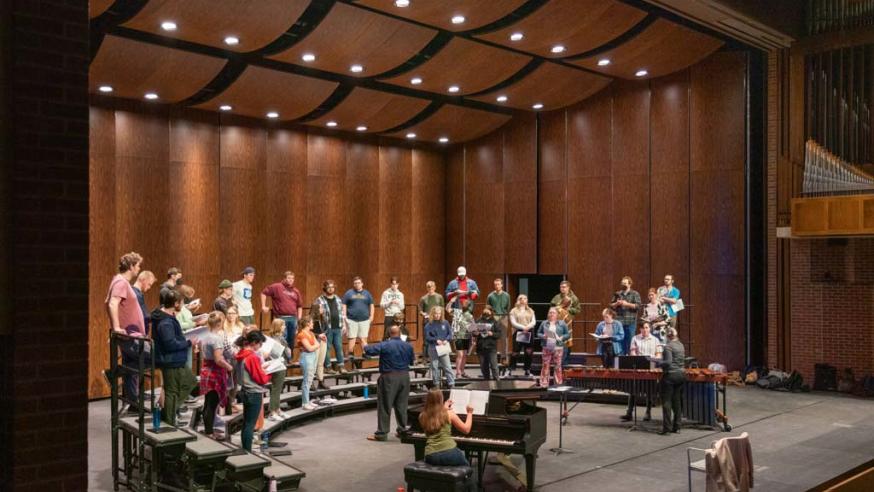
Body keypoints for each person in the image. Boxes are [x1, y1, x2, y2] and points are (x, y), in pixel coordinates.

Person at [105, 252, 146, 411]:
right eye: (138, 266)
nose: (139, 269)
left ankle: (133, 403)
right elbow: (112, 304)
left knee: (132, 366)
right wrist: (116, 327)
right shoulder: (121, 282)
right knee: (162, 358)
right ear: (131, 266)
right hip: (131, 336)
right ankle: (115, 374)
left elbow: (107, 302)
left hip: (130, 335)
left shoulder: (118, 281)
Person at [363, 325, 415, 441]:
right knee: (402, 405)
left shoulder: (385, 344)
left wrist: (364, 344)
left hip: (389, 378)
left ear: (389, 333)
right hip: (404, 377)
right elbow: (411, 362)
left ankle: (382, 434)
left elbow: (370, 351)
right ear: (399, 333)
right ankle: (402, 430)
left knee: (385, 405)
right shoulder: (408, 346)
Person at [152, 288, 195, 426]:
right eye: (182, 302)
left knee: (190, 382)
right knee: (171, 392)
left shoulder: (168, 317)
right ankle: (168, 420)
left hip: (175, 360)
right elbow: (170, 344)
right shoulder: (166, 322)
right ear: (176, 303)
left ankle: (168, 412)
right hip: (170, 361)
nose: (183, 305)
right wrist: (188, 342)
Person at [199, 311, 234, 439]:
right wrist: (229, 367)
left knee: (208, 402)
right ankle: (209, 433)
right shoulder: (216, 338)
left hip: (206, 370)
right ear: (220, 323)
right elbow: (218, 359)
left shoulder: (205, 336)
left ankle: (208, 430)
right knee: (212, 404)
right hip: (214, 372)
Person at [234, 330, 270, 451]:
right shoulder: (251, 357)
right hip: (253, 392)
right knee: (250, 424)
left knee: (246, 423)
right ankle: (247, 451)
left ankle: (245, 449)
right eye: (260, 344)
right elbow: (261, 379)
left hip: (245, 390)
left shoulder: (241, 353)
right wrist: (269, 373)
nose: (260, 347)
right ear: (254, 342)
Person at [418, 389, 474, 467]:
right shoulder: (449, 414)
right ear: (441, 399)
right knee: (466, 466)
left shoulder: (422, 415)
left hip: (430, 455)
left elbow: (436, 416)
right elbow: (466, 429)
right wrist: (469, 413)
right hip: (449, 452)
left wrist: (444, 407)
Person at [622, 322, 663, 422]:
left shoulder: (655, 340)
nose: (644, 330)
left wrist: (653, 359)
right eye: (643, 328)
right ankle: (629, 413)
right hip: (638, 369)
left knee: (649, 392)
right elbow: (632, 353)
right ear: (640, 329)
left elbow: (659, 354)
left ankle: (648, 413)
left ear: (649, 329)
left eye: (646, 327)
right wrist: (637, 358)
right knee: (632, 391)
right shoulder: (635, 338)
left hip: (650, 369)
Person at [261, 271, 303, 353]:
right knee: (282, 339)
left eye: (292, 278)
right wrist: (263, 306)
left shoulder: (295, 291)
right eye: (289, 278)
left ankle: (289, 359)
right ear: (284, 278)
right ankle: (282, 359)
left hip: (293, 318)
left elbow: (300, 306)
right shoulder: (277, 287)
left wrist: (299, 319)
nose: (291, 280)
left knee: (291, 339)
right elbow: (263, 293)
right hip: (281, 318)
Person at [312, 280, 346, 378]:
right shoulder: (320, 300)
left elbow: (342, 314)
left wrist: (344, 325)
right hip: (327, 328)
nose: (331, 289)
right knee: (327, 348)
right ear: (325, 288)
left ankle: (341, 366)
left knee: (339, 347)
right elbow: (314, 313)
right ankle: (328, 367)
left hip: (337, 327)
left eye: (332, 287)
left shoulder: (338, 299)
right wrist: (320, 312)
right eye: (328, 287)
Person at [658, 327, 686, 435]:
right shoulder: (681, 345)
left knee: (666, 402)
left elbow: (668, 362)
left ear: (668, 336)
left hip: (670, 376)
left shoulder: (668, 346)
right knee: (677, 401)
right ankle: (677, 426)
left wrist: (659, 363)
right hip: (681, 375)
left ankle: (667, 429)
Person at [263, 319, 291, 421]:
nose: (285, 327)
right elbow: (288, 354)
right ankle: (272, 411)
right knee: (276, 389)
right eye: (283, 326)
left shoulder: (271, 339)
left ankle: (277, 409)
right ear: (279, 327)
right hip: (278, 365)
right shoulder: (280, 340)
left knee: (278, 389)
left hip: (276, 365)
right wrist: (289, 351)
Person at [536, 307, 571, 387]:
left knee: (558, 366)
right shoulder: (544, 323)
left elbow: (568, 334)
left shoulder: (562, 323)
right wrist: (543, 336)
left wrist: (562, 337)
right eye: (550, 312)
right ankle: (544, 383)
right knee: (545, 365)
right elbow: (538, 333)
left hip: (558, 347)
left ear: (557, 314)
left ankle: (558, 383)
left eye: (553, 313)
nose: (551, 314)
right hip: (546, 347)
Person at [343, 276, 374, 359]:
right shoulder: (349, 293)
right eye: (355, 283)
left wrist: (371, 316)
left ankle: (365, 352)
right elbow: (344, 305)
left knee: (363, 338)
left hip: (364, 320)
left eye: (359, 283)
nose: (357, 284)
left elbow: (371, 305)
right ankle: (350, 353)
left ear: (362, 284)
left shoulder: (367, 293)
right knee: (351, 337)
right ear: (354, 284)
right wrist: (344, 316)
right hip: (351, 319)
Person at [551, 280, 580, 367]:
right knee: (557, 341)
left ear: (568, 287)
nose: (562, 289)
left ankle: (565, 362)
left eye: (564, 287)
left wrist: (568, 310)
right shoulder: (556, 297)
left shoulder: (574, 298)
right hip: (557, 322)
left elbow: (578, 310)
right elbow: (552, 307)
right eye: (561, 287)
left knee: (567, 342)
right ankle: (557, 362)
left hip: (568, 322)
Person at [222, 306, 246, 415]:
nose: (230, 315)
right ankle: (224, 403)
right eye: (229, 313)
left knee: (235, 381)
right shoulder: (223, 326)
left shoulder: (241, 326)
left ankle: (231, 402)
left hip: (238, 356)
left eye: (233, 313)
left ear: (237, 315)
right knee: (228, 381)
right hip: (227, 357)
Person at [295, 316, 321, 411]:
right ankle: (305, 403)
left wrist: (314, 345)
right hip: (306, 357)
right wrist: (315, 345)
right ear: (307, 324)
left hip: (313, 356)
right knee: (306, 381)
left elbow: (315, 345)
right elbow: (310, 348)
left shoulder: (311, 333)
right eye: (312, 322)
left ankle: (307, 401)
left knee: (310, 380)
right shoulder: (302, 334)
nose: (313, 324)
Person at [610, 276, 641, 356]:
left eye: (625, 283)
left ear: (630, 284)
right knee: (620, 341)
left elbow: (638, 306)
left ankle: (629, 361)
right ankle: (620, 360)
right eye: (622, 283)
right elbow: (611, 305)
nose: (623, 285)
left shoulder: (635, 294)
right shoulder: (617, 293)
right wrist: (617, 303)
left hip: (630, 322)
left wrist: (627, 304)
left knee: (630, 341)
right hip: (619, 322)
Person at [424, 307, 454, 389]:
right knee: (434, 366)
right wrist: (435, 340)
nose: (437, 315)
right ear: (432, 314)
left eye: (439, 313)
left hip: (443, 348)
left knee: (447, 366)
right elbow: (427, 337)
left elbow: (450, 334)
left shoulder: (445, 323)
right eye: (436, 314)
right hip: (433, 348)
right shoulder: (428, 324)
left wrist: (446, 340)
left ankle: (451, 383)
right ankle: (436, 384)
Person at [509, 294, 536, 376]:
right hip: (519, 331)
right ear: (518, 300)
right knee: (515, 352)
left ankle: (527, 369)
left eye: (525, 298)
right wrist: (523, 327)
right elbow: (513, 322)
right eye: (521, 298)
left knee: (528, 352)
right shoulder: (513, 311)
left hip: (529, 331)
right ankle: (510, 369)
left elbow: (533, 321)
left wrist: (528, 327)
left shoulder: (530, 310)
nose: (523, 300)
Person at [486, 278, 511, 365]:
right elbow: (488, 307)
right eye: (495, 284)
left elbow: (508, 307)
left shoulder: (506, 295)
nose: (497, 286)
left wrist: (504, 315)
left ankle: (503, 358)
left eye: (498, 284)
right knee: (493, 338)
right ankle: (493, 358)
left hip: (503, 317)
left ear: (502, 285)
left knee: (503, 339)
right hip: (494, 317)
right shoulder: (490, 296)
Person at [475, 306, 501, 381]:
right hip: (481, 347)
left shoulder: (495, 321)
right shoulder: (479, 320)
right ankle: (487, 383)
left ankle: (497, 383)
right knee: (484, 367)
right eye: (484, 309)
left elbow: (499, 334)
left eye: (487, 310)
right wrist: (475, 333)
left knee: (494, 366)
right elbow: (473, 332)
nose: (486, 311)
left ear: (491, 312)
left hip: (491, 347)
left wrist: (492, 333)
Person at [451, 299, 474, 379]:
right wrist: (451, 302)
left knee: (464, 355)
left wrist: (474, 331)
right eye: (462, 303)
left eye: (465, 304)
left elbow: (472, 327)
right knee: (460, 355)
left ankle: (462, 371)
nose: (463, 305)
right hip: (458, 336)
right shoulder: (457, 313)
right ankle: (458, 372)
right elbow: (447, 309)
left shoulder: (469, 315)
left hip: (466, 336)